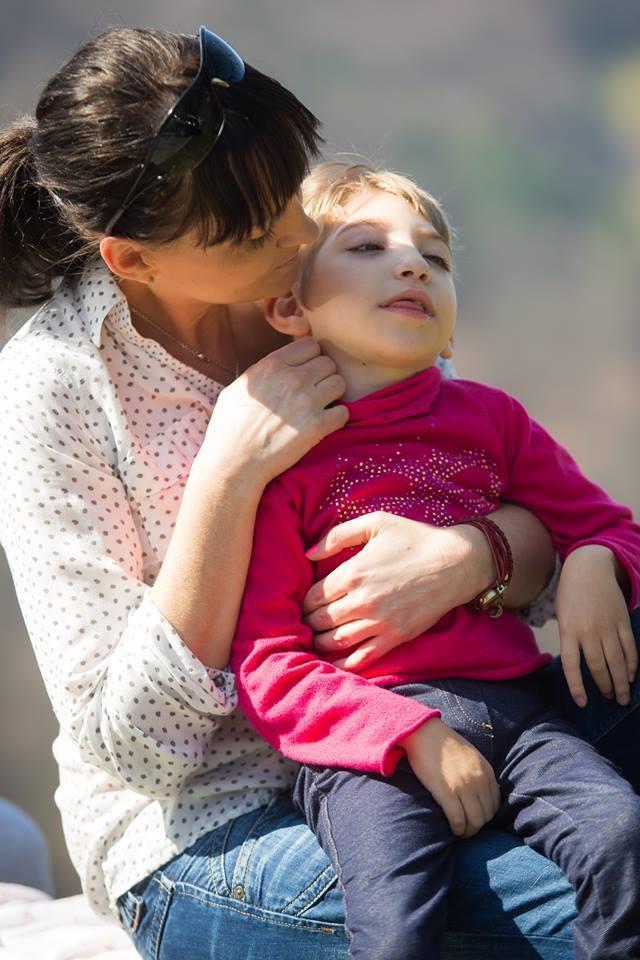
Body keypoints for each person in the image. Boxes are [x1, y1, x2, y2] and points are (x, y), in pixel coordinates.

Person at [0, 22, 637, 960]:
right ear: (134, 260)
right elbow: (133, 747)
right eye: (261, 230)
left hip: (468, 712)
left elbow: (481, 476)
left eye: (292, 193)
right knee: (560, 910)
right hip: (217, 824)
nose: (301, 232)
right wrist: (228, 472)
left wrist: (481, 554)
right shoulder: (54, 388)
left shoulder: (315, 290)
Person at [230, 162, 640, 960]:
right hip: (373, 754)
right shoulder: (282, 460)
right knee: (397, 925)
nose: (413, 263)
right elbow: (268, 668)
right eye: (367, 247)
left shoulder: (493, 419)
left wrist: (593, 562)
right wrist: (412, 735)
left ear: (449, 330)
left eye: (436, 258)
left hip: (523, 723)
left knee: (621, 834)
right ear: (290, 306)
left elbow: (613, 526)